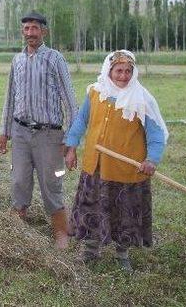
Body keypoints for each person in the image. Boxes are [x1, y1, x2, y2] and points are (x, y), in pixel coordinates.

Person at [64, 50, 168, 271]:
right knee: (92, 208)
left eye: (128, 71)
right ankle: (90, 251)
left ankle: (123, 255)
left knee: (124, 212)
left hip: (126, 172)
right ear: (108, 70)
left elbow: (156, 134)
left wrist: (152, 159)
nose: (123, 76)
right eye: (118, 70)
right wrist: (71, 147)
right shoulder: (95, 93)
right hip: (96, 167)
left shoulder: (142, 99)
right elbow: (81, 121)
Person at [0, 11, 78, 249]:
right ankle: (17, 233)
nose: (30, 33)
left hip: (49, 135)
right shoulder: (17, 61)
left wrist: (71, 141)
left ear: (44, 31)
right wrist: (4, 132)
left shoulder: (55, 59)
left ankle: (61, 234)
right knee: (19, 181)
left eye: (34, 28)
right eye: (26, 29)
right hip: (21, 133)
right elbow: (10, 98)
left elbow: (70, 103)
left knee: (51, 184)